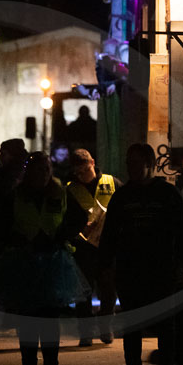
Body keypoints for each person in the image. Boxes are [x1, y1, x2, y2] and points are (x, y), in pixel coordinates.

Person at [99, 143, 183, 365]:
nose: (131, 167)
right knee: (132, 324)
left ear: (150, 164)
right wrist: (106, 265)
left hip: (161, 268)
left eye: (136, 162)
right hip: (130, 269)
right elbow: (110, 234)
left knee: (166, 323)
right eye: (129, 162)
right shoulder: (122, 197)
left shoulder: (168, 194)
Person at [0, 152, 87, 365]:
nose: (43, 174)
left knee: (49, 322)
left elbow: (79, 217)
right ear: (29, 172)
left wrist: (61, 236)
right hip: (24, 263)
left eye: (46, 169)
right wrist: (16, 240)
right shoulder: (16, 195)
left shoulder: (60, 192)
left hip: (52, 263)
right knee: (27, 323)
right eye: (38, 169)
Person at [62, 148, 121, 346]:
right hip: (82, 248)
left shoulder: (112, 183)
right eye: (78, 173)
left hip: (108, 247)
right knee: (83, 294)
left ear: (93, 163)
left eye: (85, 170)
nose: (82, 176)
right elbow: (64, 220)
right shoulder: (70, 190)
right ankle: (85, 332)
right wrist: (78, 230)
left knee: (108, 290)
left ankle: (106, 327)